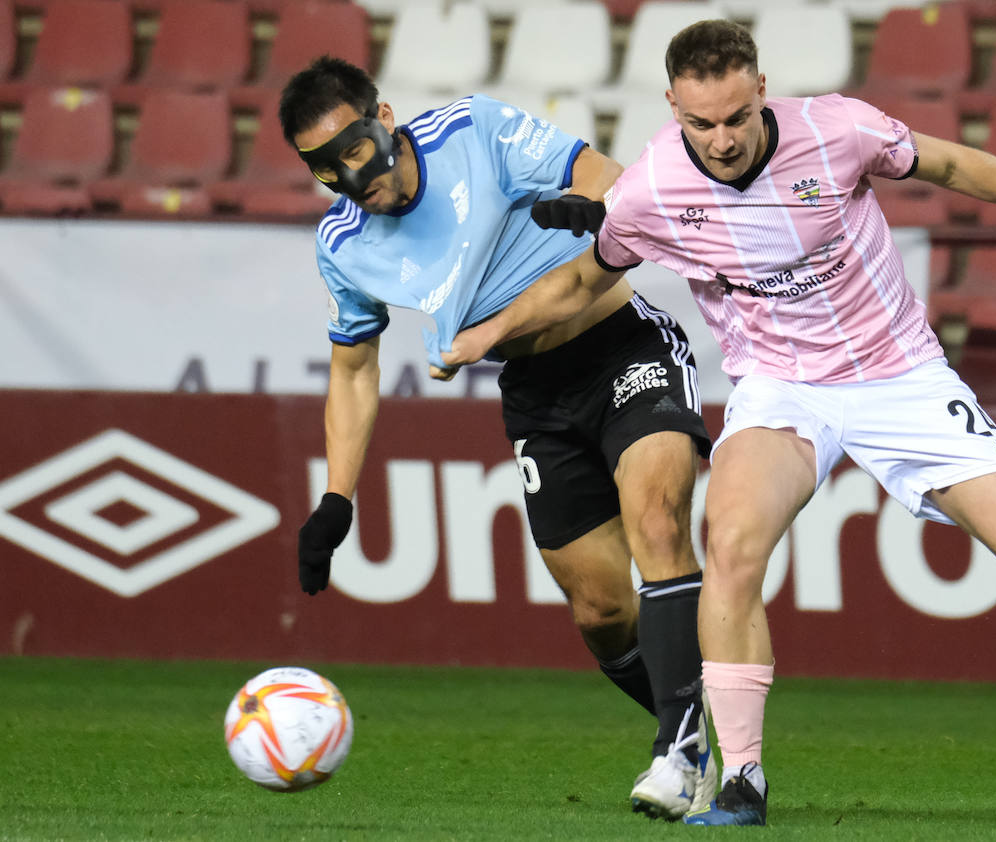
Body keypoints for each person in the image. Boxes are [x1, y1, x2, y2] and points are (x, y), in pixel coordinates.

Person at [440, 19, 996, 827]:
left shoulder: (838, 129)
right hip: (781, 390)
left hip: (901, 377)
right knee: (728, 543)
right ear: (673, 107)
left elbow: (955, 162)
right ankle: (741, 781)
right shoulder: (652, 187)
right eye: (700, 123)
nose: (720, 140)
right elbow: (584, 279)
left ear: (761, 92)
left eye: (733, 118)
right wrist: (485, 334)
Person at [279, 56, 717, 820]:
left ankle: (682, 752)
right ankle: (696, 733)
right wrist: (335, 498)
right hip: (533, 396)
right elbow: (354, 371)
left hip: (621, 345)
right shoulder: (344, 245)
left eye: (351, 150)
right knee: (599, 611)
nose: (347, 177)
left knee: (657, 521)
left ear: (383, 119)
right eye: (323, 168)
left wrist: (592, 207)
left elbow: (602, 173)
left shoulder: (472, 130)